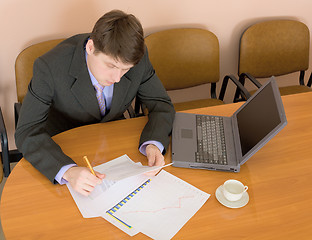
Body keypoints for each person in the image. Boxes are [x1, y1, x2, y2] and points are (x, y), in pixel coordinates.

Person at [15, 10, 175, 196]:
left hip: (113, 145)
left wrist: (154, 143)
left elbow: (160, 103)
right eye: (111, 66)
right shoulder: (49, 67)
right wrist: (67, 170)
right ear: (90, 47)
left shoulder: (136, 57)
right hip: (64, 146)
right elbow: (27, 130)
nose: (117, 78)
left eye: (125, 69)